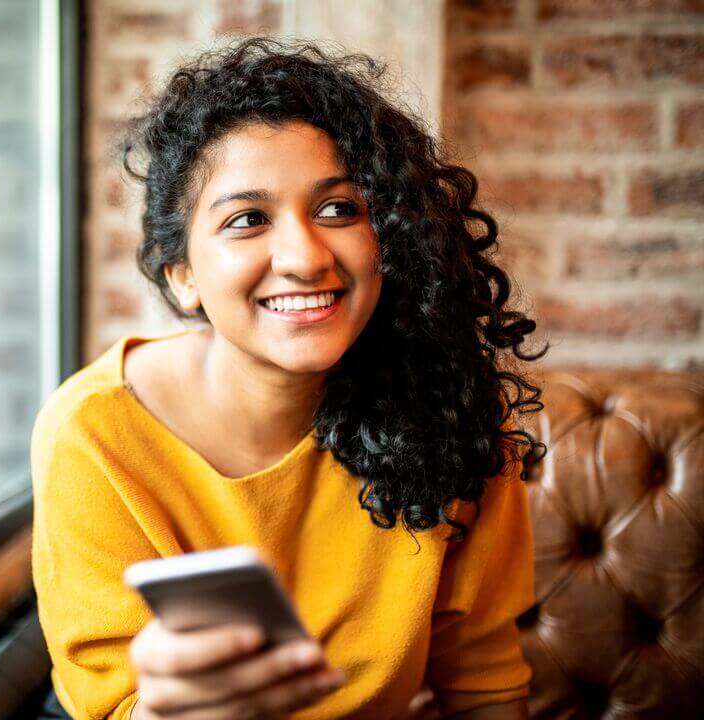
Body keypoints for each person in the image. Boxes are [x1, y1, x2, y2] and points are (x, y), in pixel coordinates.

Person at [31, 37, 546, 720]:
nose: (304, 256)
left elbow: (484, 683)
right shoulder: (93, 435)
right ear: (182, 276)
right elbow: (115, 704)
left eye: (339, 210)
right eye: (247, 220)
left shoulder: (450, 412)